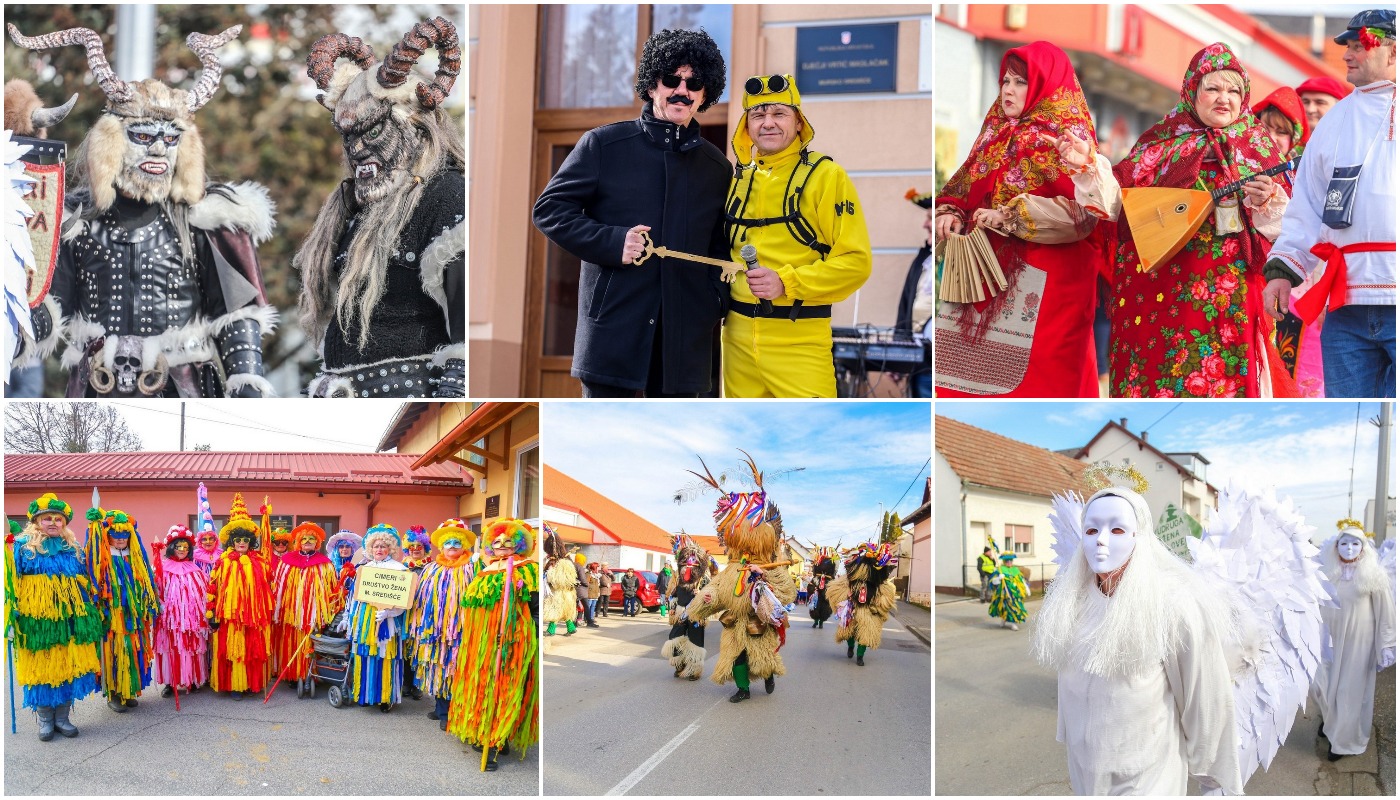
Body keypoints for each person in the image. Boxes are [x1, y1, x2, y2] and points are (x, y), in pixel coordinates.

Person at [6, 22, 276, 397]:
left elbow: (234, 312)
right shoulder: (76, 222)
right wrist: (13, 336)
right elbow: (50, 305)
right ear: (112, 141)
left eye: (171, 139)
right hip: (96, 388)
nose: (159, 150)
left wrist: (245, 381)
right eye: (145, 136)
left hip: (183, 388)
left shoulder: (203, 219)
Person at [1055, 42, 1293, 398]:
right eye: (1212, 88)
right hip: (1160, 287)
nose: (1223, 98)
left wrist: (1268, 202)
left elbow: (1287, 226)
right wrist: (1088, 163)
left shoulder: (1257, 149)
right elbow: (1120, 202)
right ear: (1191, 92)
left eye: (1233, 90)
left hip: (1230, 294)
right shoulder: (1162, 142)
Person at [532, 29, 729, 398]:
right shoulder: (604, 145)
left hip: (686, 342)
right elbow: (549, 210)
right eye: (671, 79)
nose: (682, 90)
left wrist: (714, 299)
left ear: (705, 94)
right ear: (652, 85)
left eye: (694, 82)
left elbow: (722, 246)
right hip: (613, 332)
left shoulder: (716, 167)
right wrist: (611, 241)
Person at [1031, 487, 1240, 794]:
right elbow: (1069, 680)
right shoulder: (1072, 599)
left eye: (1117, 529)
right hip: (1085, 766)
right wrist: (1070, 732)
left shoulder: (1173, 603)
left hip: (1146, 771)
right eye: (1091, 529)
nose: (1101, 540)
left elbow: (1204, 692)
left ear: (1138, 536)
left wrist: (1207, 763)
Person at [299, 18, 465, 398]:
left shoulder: (447, 196)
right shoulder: (352, 208)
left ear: (413, 125)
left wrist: (453, 394)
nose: (357, 150)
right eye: (350, 137)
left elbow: (464, 331)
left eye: (372, 132)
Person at [935, 43, 1101, 398]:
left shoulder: (1069, 137)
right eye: (1005, 81)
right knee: (963, 381)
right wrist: (950, 213)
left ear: (1047, 84)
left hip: (1048, 288)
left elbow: (1085, 214)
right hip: (979, 277)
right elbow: (964, 187)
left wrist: (1011, 216)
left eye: (1020, 82)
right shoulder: (994, 132)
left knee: (1039, 385)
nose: (1008, 90)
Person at [1262, 10, 1395, 399]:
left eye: (1359, 45)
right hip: (1345, 304)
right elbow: (1305, 207)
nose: (1348, 55)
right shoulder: (1333, 123)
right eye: (1347, 46)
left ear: (1393, 50)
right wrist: (1283, 269)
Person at [722, 73, 871, 398]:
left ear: (799, 122)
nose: (768, 123)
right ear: (746, 126)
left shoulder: (827, 177)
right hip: (736, 342)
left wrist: (786, 282)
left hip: (799, 340)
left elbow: (856, 263)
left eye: (779, 113)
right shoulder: (736, 181)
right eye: (758, 115)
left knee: (815, 435)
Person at [683, 454, 797, 702]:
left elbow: (787, 593)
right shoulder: (732, 568)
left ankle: (768, 675)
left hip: (759, 622)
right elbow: (717, 590)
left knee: (763, 657)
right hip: (734, 624)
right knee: (736, 657)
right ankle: (743, 689)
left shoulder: (771, 566)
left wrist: (764, 576)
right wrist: (704, 601)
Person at [5, 494, 102, 740]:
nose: (53, 523)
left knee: (68, 667)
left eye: (58, 519)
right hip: (37, 623)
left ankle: (63, 718)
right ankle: (45, 721)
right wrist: (9, 618)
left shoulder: (74, 549)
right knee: (43, 669)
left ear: (64, 523)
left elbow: (88, 578)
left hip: (70, 620)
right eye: (47, 518)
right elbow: (9, 584)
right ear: (36, 521)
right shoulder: (22, 547)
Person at [1251, 86, 1326, 398]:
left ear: (1294, 140)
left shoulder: (1304, 181)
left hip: (1296, 291)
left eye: (1281, 132)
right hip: (1250, 287)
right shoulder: (1231, 171)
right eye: (1263, 128)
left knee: (1294, 371)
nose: (1270, 136)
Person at [448, 518, 539, 771]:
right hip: (479, 643)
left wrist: (521, 635)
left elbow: (535, 608)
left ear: (518, 544)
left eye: (508, 542)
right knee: (482, 685)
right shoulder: (485, 570)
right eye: (496, 541)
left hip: (512, 641)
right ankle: (480, 730)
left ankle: (497, 740)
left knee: (504, 686)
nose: (501, 546)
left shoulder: (527, 569)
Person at [1313, 520, 1396, 761]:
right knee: (1322, 686)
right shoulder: (1327, 573)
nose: (1349, 548)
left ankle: (1343, 742)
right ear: (1336, 546)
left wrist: (1387, 645)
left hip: (1359, 643)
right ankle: (1331, 723)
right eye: (1345, 543)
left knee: (1349, 690)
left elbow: (1386, 614)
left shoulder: (1374, 576)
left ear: (1363, 548)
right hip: (1329, 640)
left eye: (1355, 543)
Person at [85, 508, 159, 712]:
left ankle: (129, 691)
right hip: (112, 616)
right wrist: (94, 530)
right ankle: (114, 693)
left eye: (124, 535)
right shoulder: (103, 559)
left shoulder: (136, 557)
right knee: (114, 652)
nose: (120, 540)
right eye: (115, 536)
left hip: (133, 616)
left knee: (133, 649)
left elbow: (145, 582)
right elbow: (92, 573)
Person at [407, 518, 475, 731]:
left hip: (459, 632)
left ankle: (450, 712)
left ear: (464, 545)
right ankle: (440, 707)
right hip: (432, 631)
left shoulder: (472, 569)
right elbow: (419, 598)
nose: (452, 547)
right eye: (448, 542)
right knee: (435, 667)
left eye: (457, 542)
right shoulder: (430, 569)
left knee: (453, 668)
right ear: (441, 545)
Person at [205, 494, 274, 700]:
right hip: (230, 618)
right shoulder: (222, 562)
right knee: (233, 650)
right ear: (232, 541)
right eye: (238, 539)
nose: (242, 543)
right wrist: (211, 613)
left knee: (251, 650)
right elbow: (212, 587)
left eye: (245, 539)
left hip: (253, 619)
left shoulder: (260, 562)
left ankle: (250, 684)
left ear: (250, 541)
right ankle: (235, 685)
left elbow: (268, 587)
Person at [342, 524, 408, 711]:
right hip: (364, 621)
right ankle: (366, 694)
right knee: (364, 656)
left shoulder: (399, 569)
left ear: (390, 548)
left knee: (385, 656)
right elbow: (353, 597)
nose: (379, 550)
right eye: (376, 546)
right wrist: (348, 618)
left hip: (386, 621)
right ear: (370, 548)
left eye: (383, 546)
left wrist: (391, 613)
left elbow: (404, 600)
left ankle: (386, 697)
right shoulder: (364, 568)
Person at [269, 522, 336, 692]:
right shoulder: (286, 561)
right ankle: (291, 674)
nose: (307, 541)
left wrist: (325, 611)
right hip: (289, 615)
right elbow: (278, 586)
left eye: (311, 538)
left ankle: (309, 672)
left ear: (317, 542)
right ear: (298, 541)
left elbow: (331, 589)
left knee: (310, 642)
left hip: (312, 616)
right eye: (304, 538)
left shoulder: (325, 564)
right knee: (289, 643)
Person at [151, 524, 209, 698]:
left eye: (186, 547)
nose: (182, 550)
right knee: (171, 648)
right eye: (178, 546)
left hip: (191, 621)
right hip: (169, 620)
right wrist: (160, 605)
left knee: (191, 648)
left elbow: (202, 594)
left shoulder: (196, 570)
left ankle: (192, 679)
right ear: (171, 547)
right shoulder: (162, 567)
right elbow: (156, 589)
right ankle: (171, 682)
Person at [828, 542, 898, 665]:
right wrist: (847, 596)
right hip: (853, 607)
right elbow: (843, 585)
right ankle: (850, 646)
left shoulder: (878, 578)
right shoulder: (853, 573)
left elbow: (883, 589)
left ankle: (860, 656)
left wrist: (878, 603)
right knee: (849, 630)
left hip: (868, 609)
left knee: (865, 634)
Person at [896, 190, 933, 397]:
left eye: (930, 218)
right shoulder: (921, 259)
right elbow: (905, 305)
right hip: (918, 361)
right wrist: (898, 355)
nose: (925, 225)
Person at [661, 535, 711, 680]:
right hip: (681, 612)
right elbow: (674, 594)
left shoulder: (704, 579)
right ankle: (680, 665)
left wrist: (701, 594)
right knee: (675, 637)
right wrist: (672, 607)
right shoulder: (678, 578)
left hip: (697, 613)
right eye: (686, 563)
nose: (688, 567)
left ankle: (694, 670)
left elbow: (711, 597)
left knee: (695, 641)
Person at [542, 527, 579, 637]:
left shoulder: (564, 563)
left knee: (556, 609)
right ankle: (571, 628)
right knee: (564, 610)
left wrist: (549, 574)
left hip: (560, 592)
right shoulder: (555, 561)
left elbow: (564, 580)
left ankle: (551, 630)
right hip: (560, 592)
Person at [987, 552, 1029, 632]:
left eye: (1010, 561)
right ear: (1004, 562)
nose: (1009, 562)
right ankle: (1004, 619)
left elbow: (1021, 580)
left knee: (1015, 607)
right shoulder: (1000, 570)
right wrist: (999, 578)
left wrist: (1026, 587)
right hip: (1004, 593)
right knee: (1005, 607)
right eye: (1007, 561)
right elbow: (992, 581)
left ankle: (1013, 623)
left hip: (1015, 593)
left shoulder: (1015, 569)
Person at [807, 547, 836, 628]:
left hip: (827, 582)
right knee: (815, 605)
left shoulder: (832, 561)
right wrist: (813, 588)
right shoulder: (817, 560)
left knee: (825, 606)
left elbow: (834, 572)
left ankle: (821, 622)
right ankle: (816, 621)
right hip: (817, 583)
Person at [583, 563, 601, 628]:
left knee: (593, 606)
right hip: (590, 592)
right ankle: (586, 618)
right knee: (588, 606)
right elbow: (586, 583)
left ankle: (591, 618)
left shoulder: (596, 575)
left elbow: (598, 584)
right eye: (597, 567)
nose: (598, 569)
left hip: (595, 592)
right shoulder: (588, 574)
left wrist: (598, 591)